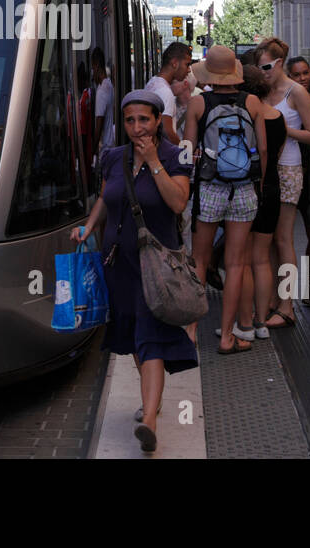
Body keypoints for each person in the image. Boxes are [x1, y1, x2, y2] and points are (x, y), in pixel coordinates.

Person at [72, 89, 195, 453]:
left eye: (144, 119)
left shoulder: (175, 157)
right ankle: (151, 401)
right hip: (118, 264)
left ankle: (150, 421)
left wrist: (154, 161)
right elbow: (107, 197)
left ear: (158, 120)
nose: (137, 126)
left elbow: (177, 201)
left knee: (150, 337)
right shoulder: (113, 157)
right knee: (137, 339)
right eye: (130, 120)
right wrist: (90, 226)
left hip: (156, 267)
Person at [185, 46, 267, 353]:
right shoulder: (253, 102)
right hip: (244, 189)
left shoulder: (197, 104)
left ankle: (191, 330)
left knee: (200, 261)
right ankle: (227, 336)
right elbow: (262, 150)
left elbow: (188, 150)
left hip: (209, 188)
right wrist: (259, 183)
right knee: (235, 264)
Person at [255, 38, 310, 327]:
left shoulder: (297, 93)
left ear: (280, 64)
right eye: (260, 68)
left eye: (266, 66)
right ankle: (271, 299)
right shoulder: (262, 90)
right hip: (264, 169)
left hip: (288, 169)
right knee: (265, 241)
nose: (263, 72)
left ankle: (287, 305)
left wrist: (283, 129)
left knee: (283, 239)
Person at [233, 63, 283, 338]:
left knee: (241, 260)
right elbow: (276, 152)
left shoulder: (244, 115)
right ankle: (262, 322)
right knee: (262, 260)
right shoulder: (277, 116)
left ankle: (245, 323)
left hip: (249, 187)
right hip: (273, 187)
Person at [286, 55, 310, 276]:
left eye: (305, 73)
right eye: (297, 74)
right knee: (282, 237)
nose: (302, 78)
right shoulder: (287, 100)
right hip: (289, 171)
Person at [145, 42, 191, 145]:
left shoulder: (153, 82)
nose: (189, 70)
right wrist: (182, 153)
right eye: (187, 64)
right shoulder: (165, 92)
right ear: (174, 63)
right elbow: (166, 132)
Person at [91, 47, 115, 163]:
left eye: (92, 67)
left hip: (105, 149)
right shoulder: (109, 84)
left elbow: (99, 124)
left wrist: (92, 150)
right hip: (111, 144)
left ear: (96, 65)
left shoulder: (101, 92)